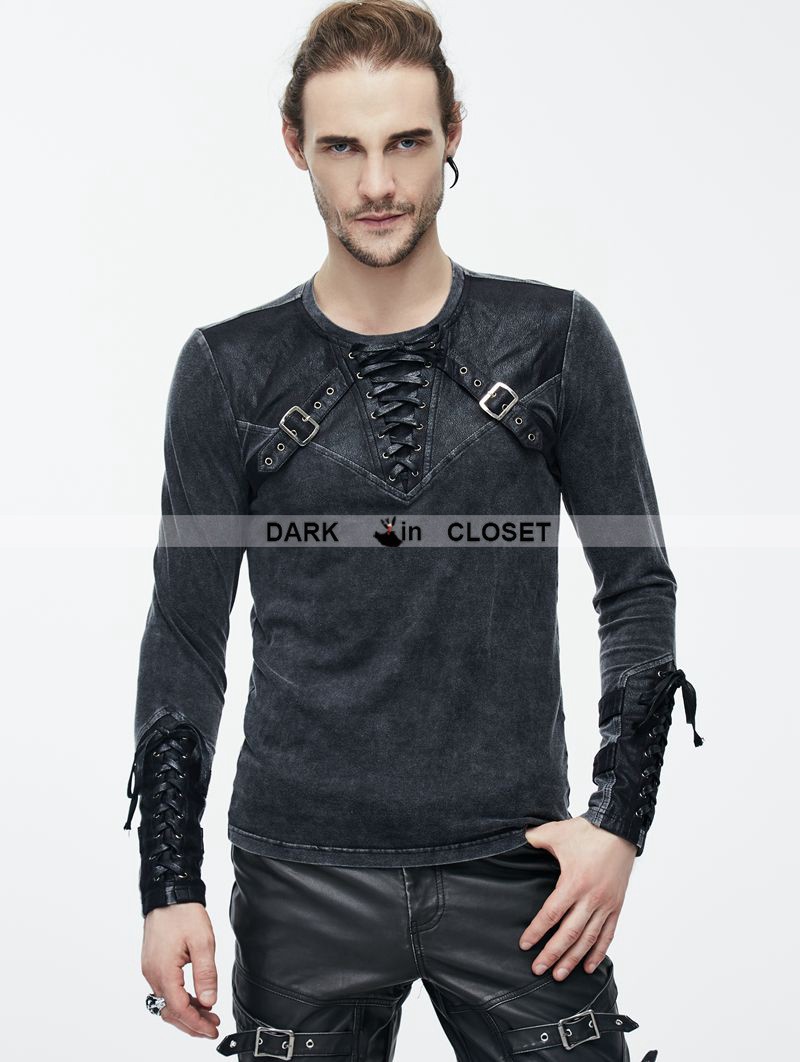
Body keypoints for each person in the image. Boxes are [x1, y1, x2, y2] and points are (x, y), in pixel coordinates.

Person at [123, 2, 702, 1058]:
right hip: (299, 875)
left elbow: (635, 583)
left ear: (452, 136)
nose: (377, 184)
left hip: (521, 873)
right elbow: (186, 635)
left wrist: (619, 823)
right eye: (342, 147)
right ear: (295, 145)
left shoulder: (553, 340)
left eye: (406, 142)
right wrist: (169, 883)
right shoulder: (227, 371)